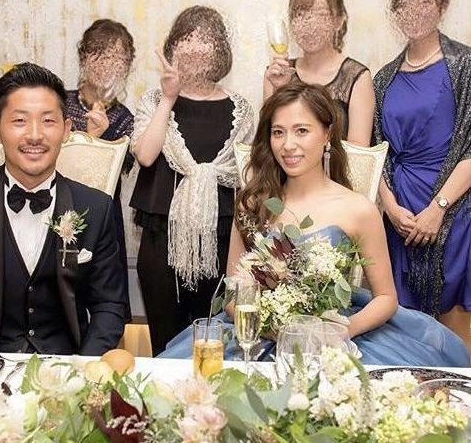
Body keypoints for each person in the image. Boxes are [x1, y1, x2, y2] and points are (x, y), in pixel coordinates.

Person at [161, 82, 468, 366]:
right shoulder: (252, 204)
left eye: (302, 131)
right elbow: (233, 294)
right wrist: (268, 327)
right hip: (258, 335)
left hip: (334, 335)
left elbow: (386, 299)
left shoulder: (358, 209)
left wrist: (338, 331)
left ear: (327, 134)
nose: (288, 144)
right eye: (278, 132)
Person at [0, 62, 128, 355]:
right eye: (19, 121)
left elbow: (109, 305)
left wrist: (83, 369)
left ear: (66, 129)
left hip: (63, 368)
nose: (34, 135)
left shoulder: (95, 207)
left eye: (48, 121)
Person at [130, 5, 254, 355]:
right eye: (187, 37)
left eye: (206, 39)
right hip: (161, 238)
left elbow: (247, 176)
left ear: (220, 50)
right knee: (165, 343)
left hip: (221, 240)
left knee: (215, 343)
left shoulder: (241, 109)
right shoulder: (154, 100)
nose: (196, 46)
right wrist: (169, 98)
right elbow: (146, 155)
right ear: (173, 45)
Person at [374, 0, 471, 351]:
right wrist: (389, 207)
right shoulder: (384, 78)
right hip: (400, 220)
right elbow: (377, 152)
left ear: (443, 5)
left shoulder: (465, 65)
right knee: (404, 341)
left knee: (457, 344)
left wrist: (439, 208)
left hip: (455, 215)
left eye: (424, 1)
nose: (413, 11)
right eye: (405, 2)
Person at [65, 18, 135, 320]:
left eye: (118, 58)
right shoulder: (59, 103)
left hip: (104, 220)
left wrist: (101, 139)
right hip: (58, 213)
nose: (108, 64)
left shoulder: (125, 119)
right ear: (84, 58)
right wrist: (88, 138)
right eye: (100, 54)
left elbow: (116, 173)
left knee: (105, 307)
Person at [263, 0, 374, 146]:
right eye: (300, 15)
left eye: (320, 15)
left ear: (338, 21)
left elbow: (359, 153)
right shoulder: (275, 75)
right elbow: (268, 143)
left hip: (337, 165)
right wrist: (279, 89)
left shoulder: (357, 77)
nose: (310, 25)